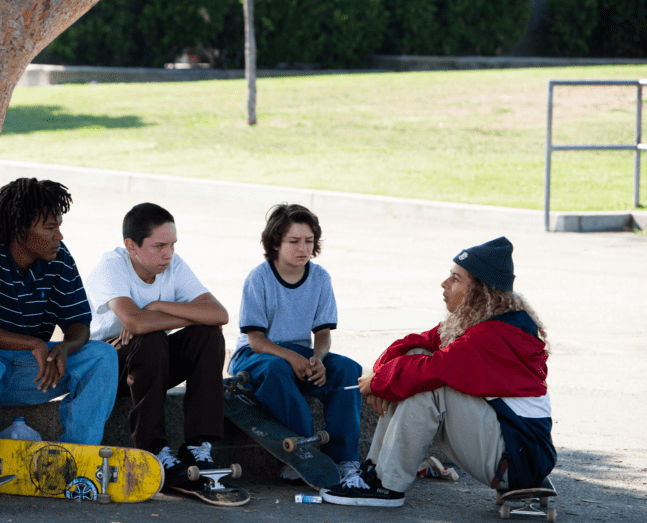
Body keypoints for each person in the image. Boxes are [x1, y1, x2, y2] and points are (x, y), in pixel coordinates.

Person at [321, 237, 554, 507]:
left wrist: (379, 383)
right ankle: (374, 475)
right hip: (510, 451)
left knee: (430, 383)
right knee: (415, 359)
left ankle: (386, 487)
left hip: (517, 463)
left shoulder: (494, 337)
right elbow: (415, 343)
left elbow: (432, 370)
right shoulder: (485, 321)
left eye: (455, 279)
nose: (444, 284)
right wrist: (380, 375)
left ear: (480, 291)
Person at [0, 177, 118, 500]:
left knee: (102, 355)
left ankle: (78, 457)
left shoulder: (59, 258)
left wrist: (66, 346)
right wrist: (34, 344)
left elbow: (79, 323)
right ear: (21, 229)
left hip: (31, 371)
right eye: (50, 228)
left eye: (58, 226)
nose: (58, 236)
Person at [85, 202, 229, 488]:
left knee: (208, 335)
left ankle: (198, 446)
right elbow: (136, 324)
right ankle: (153, 451)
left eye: (173, 244)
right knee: (150, 338)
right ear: (131, 246)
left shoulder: (172, 265)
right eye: (159, 245)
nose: (169, 253)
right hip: (106, 368)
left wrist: (157, 306)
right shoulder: (111, 266)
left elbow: (219, 314)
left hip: (152, 364)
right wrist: (171, 316)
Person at [227, 204, 362, 486]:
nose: (303, 248)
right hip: (256, 355)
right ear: (275, 242)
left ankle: (345, 459)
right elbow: (255, 339)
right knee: (278, 368)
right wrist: (291, 358)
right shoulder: (259, 277)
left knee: (348, 369)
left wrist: (318, 359)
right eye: (294, 241)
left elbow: (323, 332)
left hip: (298, 354)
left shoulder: (320, 277)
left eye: (309, 241)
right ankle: (302, 453)